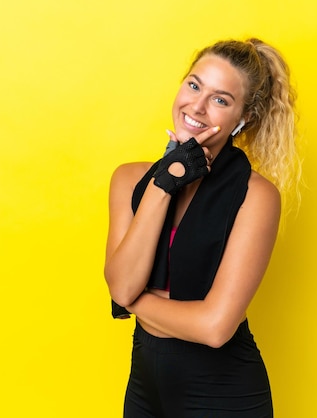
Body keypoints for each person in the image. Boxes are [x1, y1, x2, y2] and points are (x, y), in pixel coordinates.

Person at [104, 38, 300, 418]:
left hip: (224, 395)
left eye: (221, 99)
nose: (197, 106)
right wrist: (167, 180)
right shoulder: (129, 180)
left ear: (242, 119)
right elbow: (122, 283)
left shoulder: (255, 196)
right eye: (194, 85)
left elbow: (214, 327)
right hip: (145, 391)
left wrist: (132, 303)